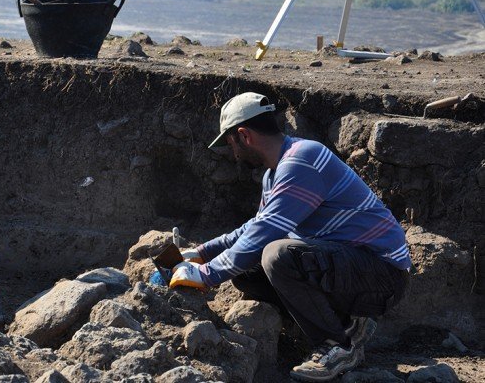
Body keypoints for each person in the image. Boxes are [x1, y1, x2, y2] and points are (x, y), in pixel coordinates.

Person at [169, 92, 410, 382]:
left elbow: (267, 231)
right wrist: (201, 253)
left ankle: (338, 346)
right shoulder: (276, 172)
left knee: (277, 255)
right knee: (248, 273)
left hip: (382, 275)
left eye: (230, 143)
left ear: (244, 135)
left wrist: (206, 275)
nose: (233, 153)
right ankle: (347, 326)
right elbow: (255, 227)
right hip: (351, 265)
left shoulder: (301, 161)